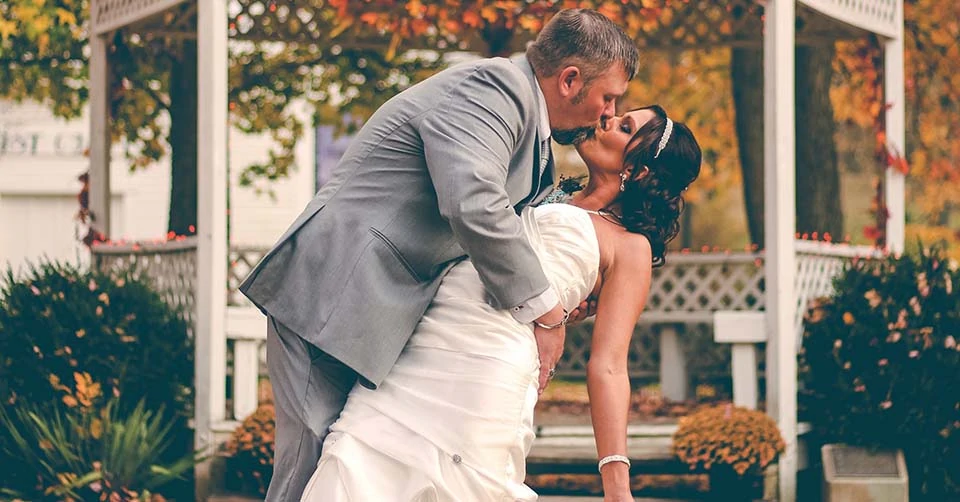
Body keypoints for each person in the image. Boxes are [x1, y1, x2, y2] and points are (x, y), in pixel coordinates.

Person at [238, 9, 639, 500]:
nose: (607, 113)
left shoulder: (532, 135)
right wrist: (547, 311)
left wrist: (564, 289)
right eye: (608, 97)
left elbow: (498, 236)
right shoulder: (495, 89)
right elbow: (472, 202)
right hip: (335, 290)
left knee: (343, 475)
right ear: (570, 80)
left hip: (381, 310)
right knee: (312, 471)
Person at [299, 105, 702, 501]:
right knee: (357, 461)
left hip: (488, 369)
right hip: (419, 346)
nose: (607, 118)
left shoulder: (630, 247)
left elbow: (609, 366)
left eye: (624, 126)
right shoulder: (540, 190)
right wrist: (555, 312)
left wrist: (617, 485)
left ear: (639, 170)